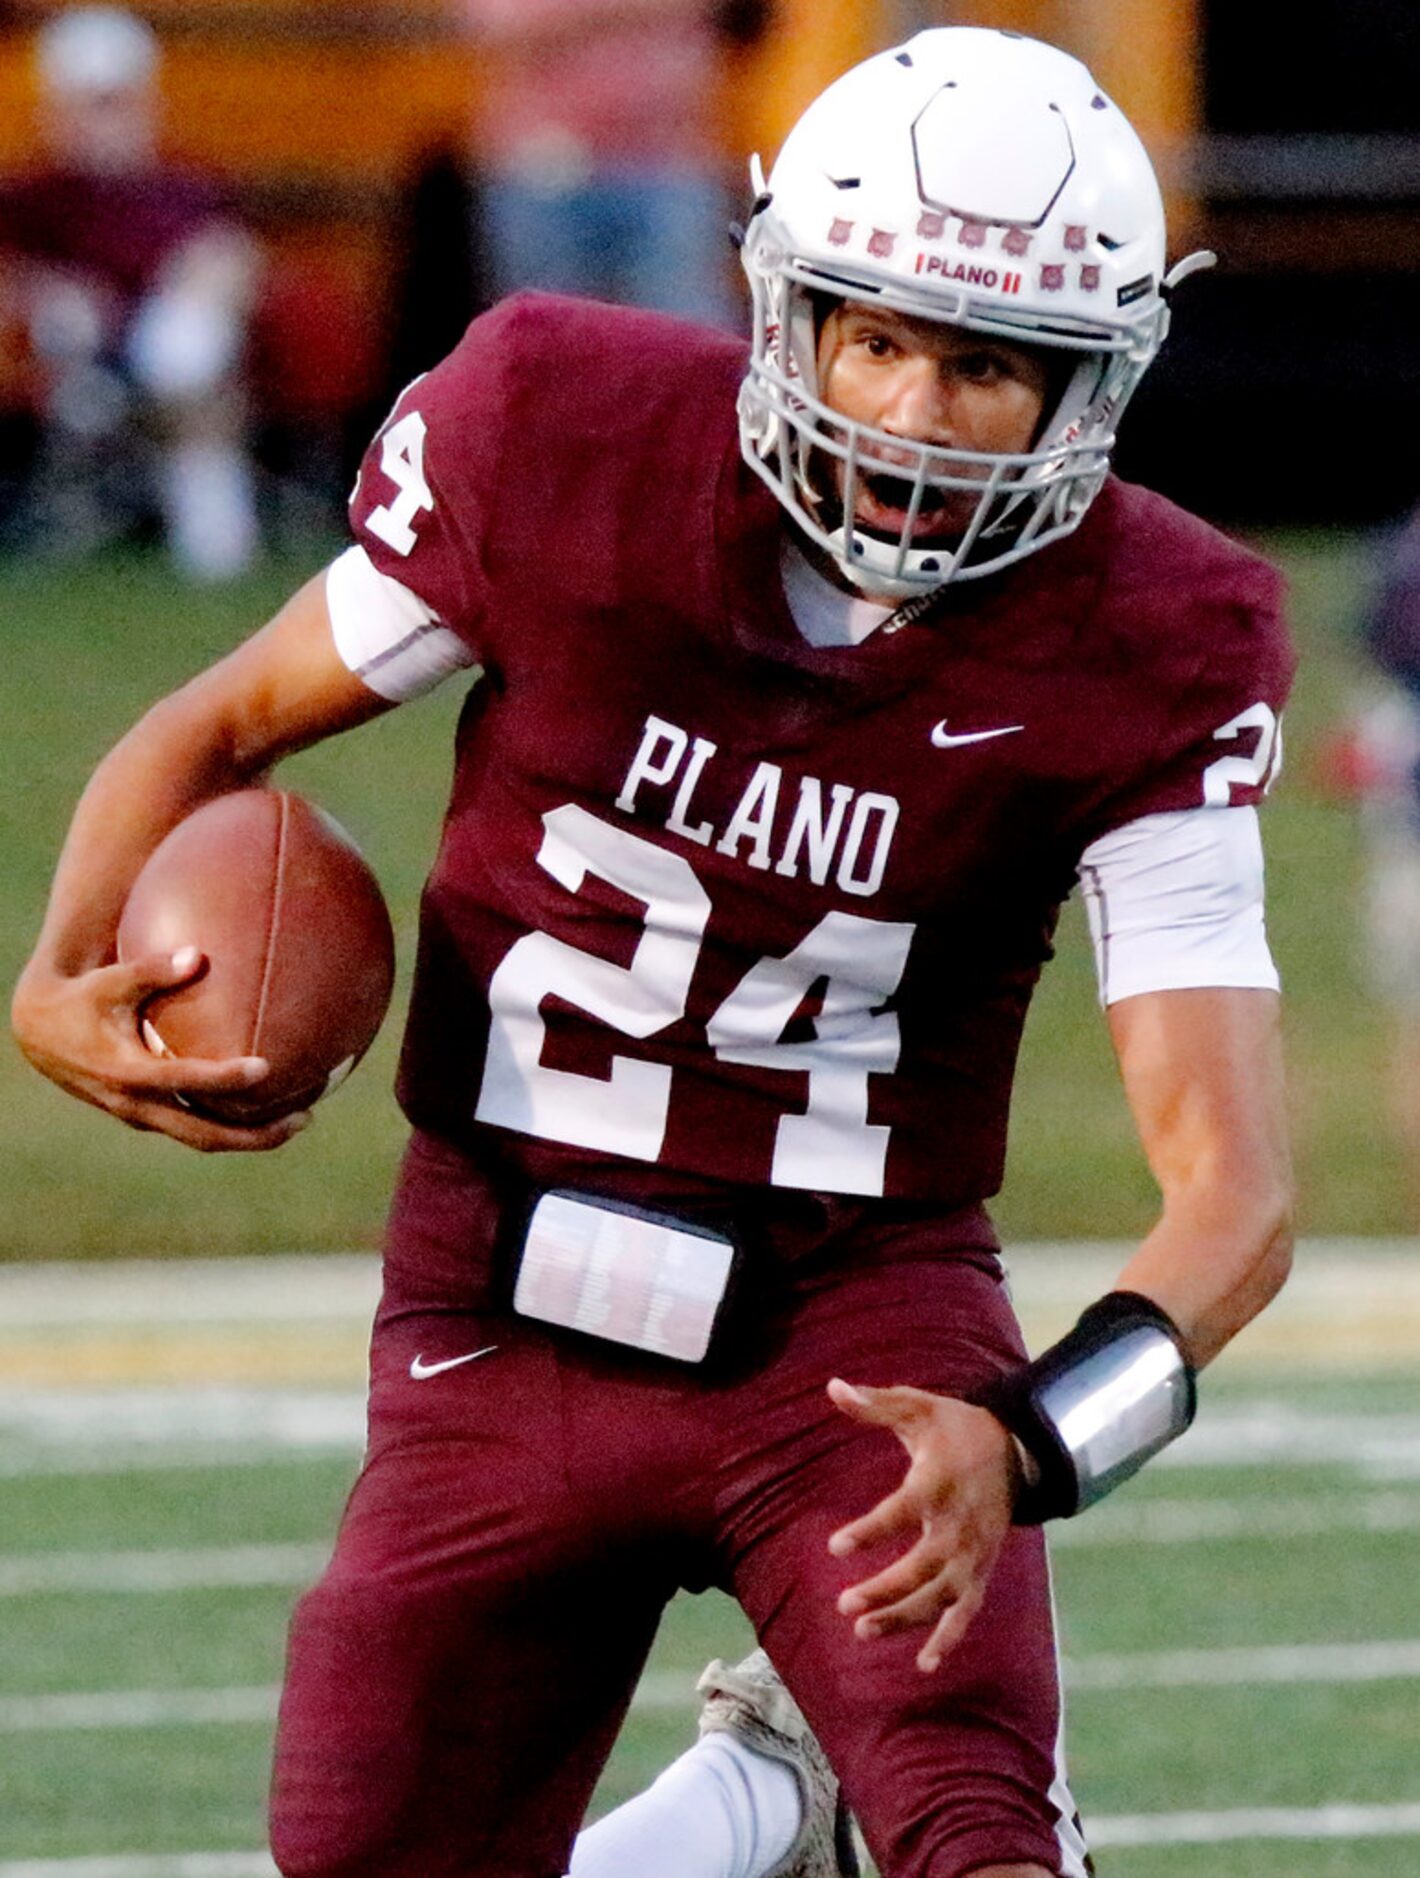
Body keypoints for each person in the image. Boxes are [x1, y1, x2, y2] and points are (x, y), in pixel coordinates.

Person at [11, 26, 1295, 1878]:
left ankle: (823, 1796)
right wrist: (57, 972)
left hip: (854, 1325)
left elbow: (1233, 1191)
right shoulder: (561, 429)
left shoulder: (1152, 635)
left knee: (979, 1843)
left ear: (1092, 387)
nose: (915, 415)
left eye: (989, 365)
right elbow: (220, 724)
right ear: (787, 308)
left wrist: (1026, 1437)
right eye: (878, 339)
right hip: (496, 1305)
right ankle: (753, 1810)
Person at [0, 6, 261, 578]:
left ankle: (213, 537)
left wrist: (208, 276)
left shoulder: (187, 185)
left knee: (186, 341)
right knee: (68, 324)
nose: (101, 122)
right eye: (88, 105)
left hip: (177, 360)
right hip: (75, 358)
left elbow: (237, 260)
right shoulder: (32, 196)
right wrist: (47, 291)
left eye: (113, 103)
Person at [460, 0, 755, 329]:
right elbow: (501, 23)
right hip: (541, 171)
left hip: (669, 167)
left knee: (696, 348)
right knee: (548, 350)